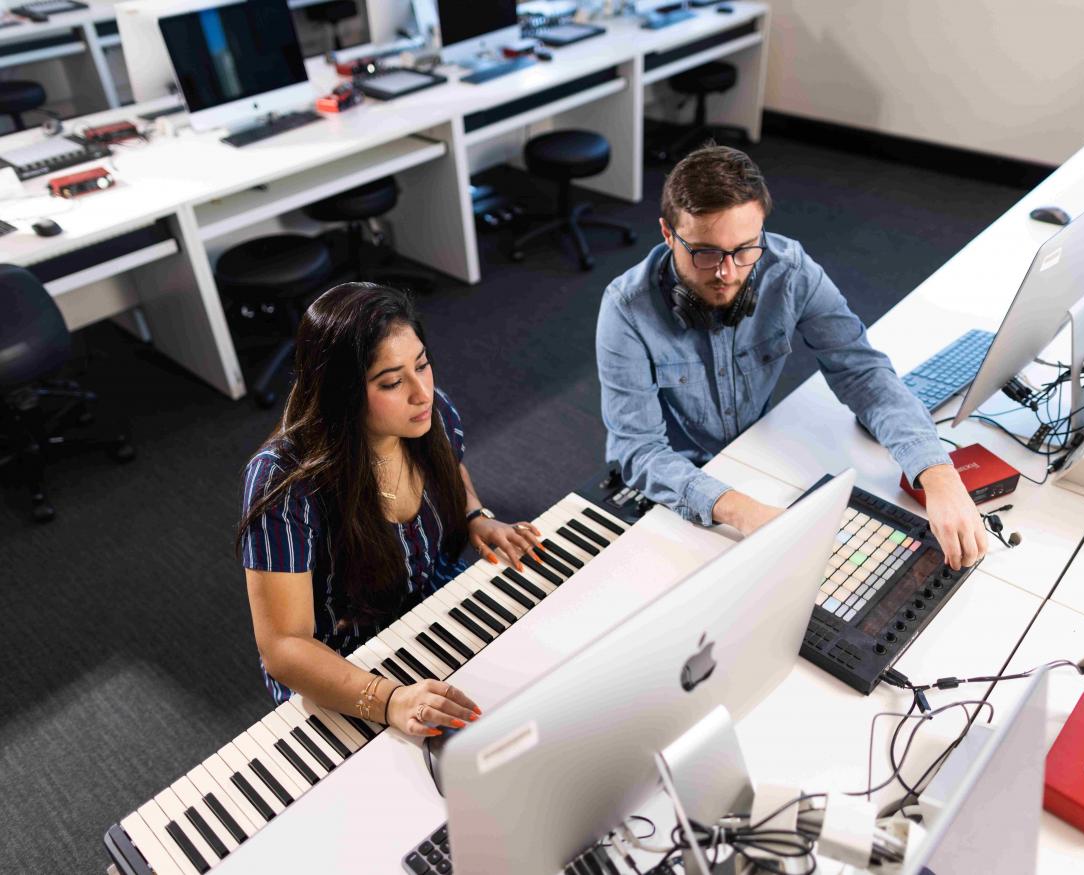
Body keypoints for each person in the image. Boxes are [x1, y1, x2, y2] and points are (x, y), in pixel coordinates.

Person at [595, 145, 986, 568]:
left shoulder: (789, 270)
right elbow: (639, 451)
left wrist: (938, 474)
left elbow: (863, 373)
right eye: (706, 253)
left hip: (753, 458)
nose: (728, 273)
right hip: (676, 485)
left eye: (745, 249)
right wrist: (745, 512)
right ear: (668, 234)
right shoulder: (626, 309)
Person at [237, 282, 544, 736]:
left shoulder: (430, 412)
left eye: (422, 365)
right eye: (392, 382)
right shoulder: (283, 483)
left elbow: (451, 471)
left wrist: (476, 516)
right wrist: (390, 700)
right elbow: (283, 647)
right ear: (340, 392)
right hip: (346, 665)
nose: (422, 392)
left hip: (429, 609)